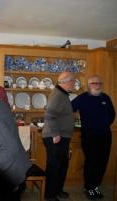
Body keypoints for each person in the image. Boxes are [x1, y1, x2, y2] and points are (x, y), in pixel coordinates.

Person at [72, 75, 115, 200]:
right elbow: (68, 109)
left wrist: (105, 124)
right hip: (89, 136)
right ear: (88, 85)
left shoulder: (105, 97)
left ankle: (96, 186)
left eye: (99, 83)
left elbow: (112, 114)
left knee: (103, 162)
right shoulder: (82, 98)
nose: (97, 85)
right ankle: (89, 187)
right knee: (92, 162)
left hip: (105, 135)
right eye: (94, 83)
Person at [42, 71, 75, 201]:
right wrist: (55, 134)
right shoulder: (57, 95)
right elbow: (49, 116)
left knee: (62, 166)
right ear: (67, 82)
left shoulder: (63, 94)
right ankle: (49, 195)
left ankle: (57, 191)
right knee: (54, 167)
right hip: (55, 137)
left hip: (61, 137)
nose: (74, 84)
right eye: (73, 81)